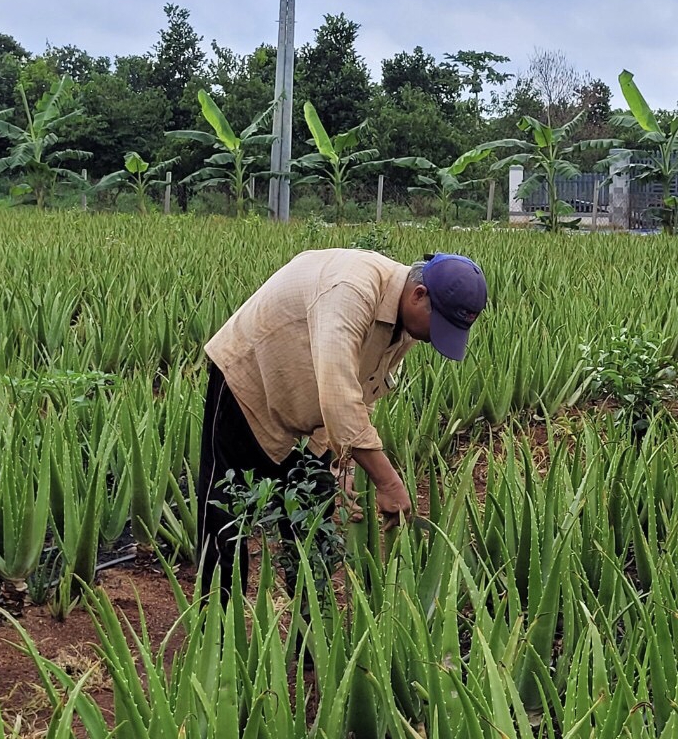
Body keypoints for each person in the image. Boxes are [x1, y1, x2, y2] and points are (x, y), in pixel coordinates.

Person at [195, 248, 487, 594]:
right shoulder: (351, 290)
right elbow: (338, 395)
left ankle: (308, 639)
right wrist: (388, 482)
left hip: (311, 407)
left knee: (313, 525)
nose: (434, 338)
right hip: (249, 383)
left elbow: (362, 389)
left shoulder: (406, 321)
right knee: (225, 515)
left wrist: (343, 464)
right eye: (438, 325)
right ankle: (217, 633)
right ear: (418, 295)